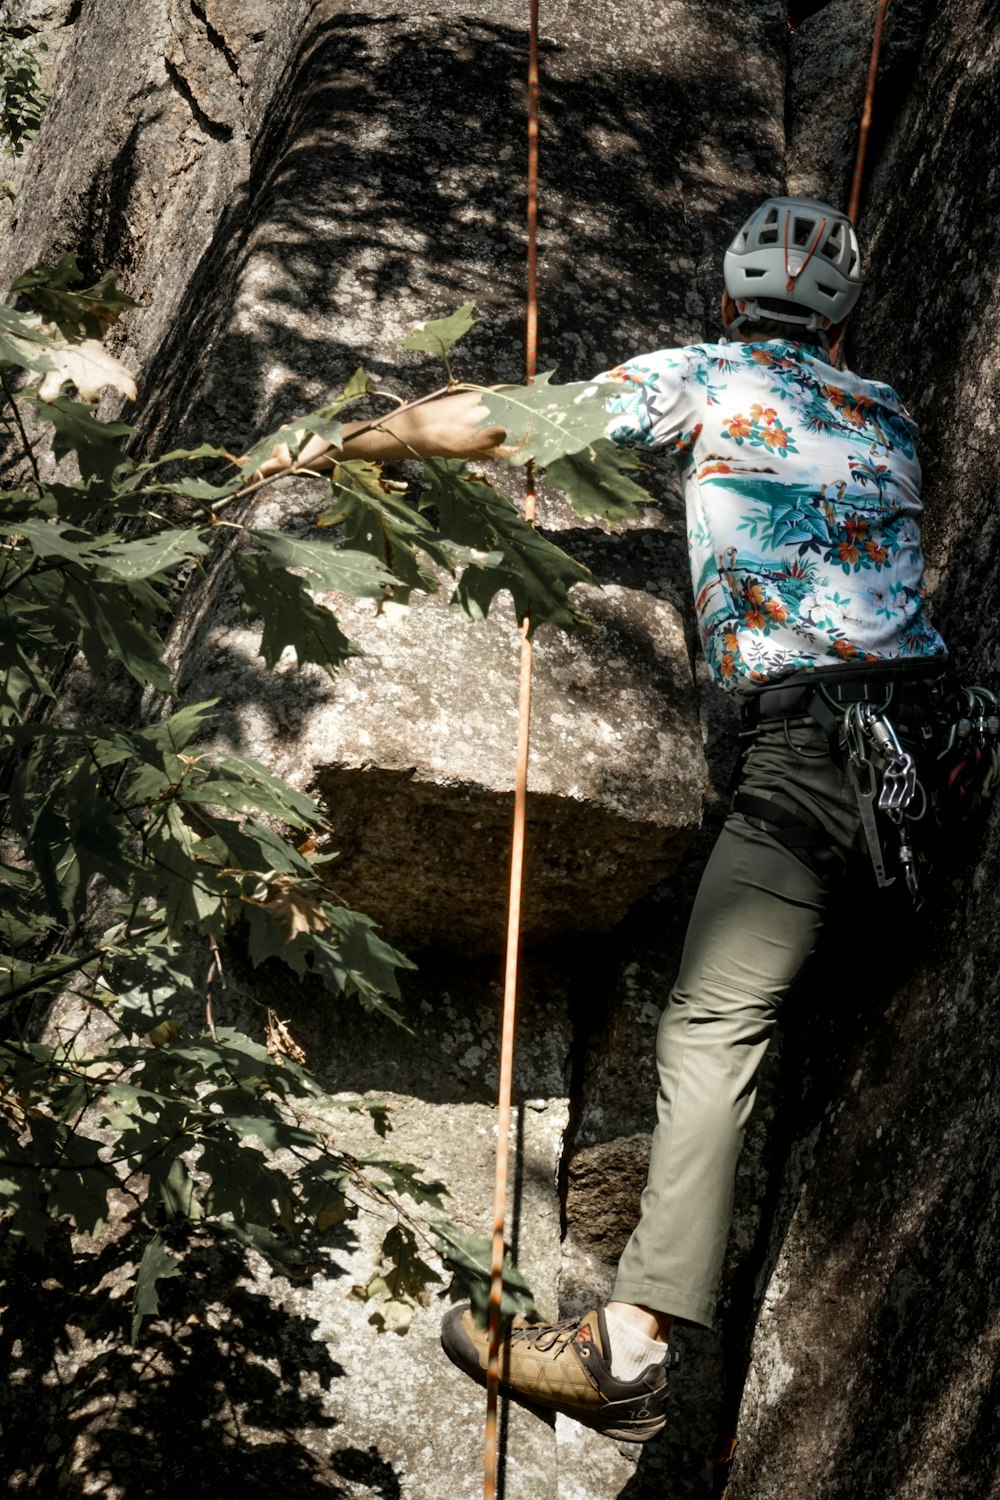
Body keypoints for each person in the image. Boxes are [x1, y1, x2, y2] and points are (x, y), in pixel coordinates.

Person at [258, 197, 951, 1441]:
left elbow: (501, 422)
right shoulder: (887, 408)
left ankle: (629, 1348)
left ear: (728, 292)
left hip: (804, 752)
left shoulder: (702, 376)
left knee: (715, 1019)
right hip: (917, 748)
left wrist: (348, 444)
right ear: (843, 315)